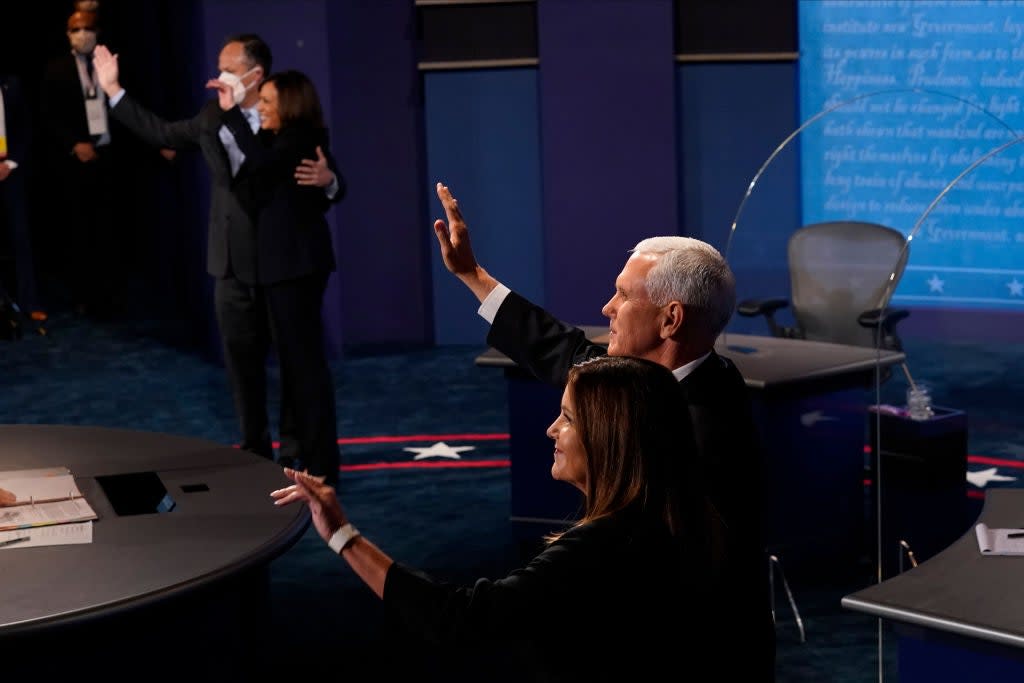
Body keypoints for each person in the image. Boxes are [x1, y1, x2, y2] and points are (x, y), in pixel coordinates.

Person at [431, 182, 776, 680]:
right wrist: (472, 274)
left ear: (670, 319)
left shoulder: (706, 427)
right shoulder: (655, 380)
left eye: (622, 296)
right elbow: (559, 349)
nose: (606, 309)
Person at [271, 355, 729, 682]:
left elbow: (457, 620)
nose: (552, 429)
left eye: (568, 418)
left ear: (611, 438)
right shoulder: (687, 518)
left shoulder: (597, 551)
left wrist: (342, 536)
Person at [92, 35, 345, 483]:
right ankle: (254, 454)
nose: (219, 74)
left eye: (228, 66)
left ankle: (295, 455)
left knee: (295, 363)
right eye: (218, 64)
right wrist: (113, 90)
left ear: (255, 74)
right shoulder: (213, 117)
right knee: (241, 365)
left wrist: (330, 181)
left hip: (284, 265)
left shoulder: (288, 120)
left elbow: (304, 169)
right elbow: (161, 132)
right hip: (230, 265)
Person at [203, 68, 341, 483]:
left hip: (298, 270)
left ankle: (322, 467)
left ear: (289, 105)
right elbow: (254, 172)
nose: (260, 109)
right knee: (294, 369)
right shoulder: (274, 139)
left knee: (306, 370)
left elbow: (265, 165)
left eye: (267, 102)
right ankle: (301, 455)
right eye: (259, 101)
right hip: (277, 273)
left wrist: (229, 112)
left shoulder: (300, 137)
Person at [37, 9, 129, 318]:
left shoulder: (111, 64)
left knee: (112, 230)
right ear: (67, 34)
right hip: (74, 161)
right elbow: (47, 115)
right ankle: (84, 297)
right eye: (76, 29)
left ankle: (113, 296)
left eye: (88, 28)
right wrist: (73, 144)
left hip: (110, 158)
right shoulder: (55, 69)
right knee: (79, 232)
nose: (82, 34)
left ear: (98, 30)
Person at [0, 72, 45, 331]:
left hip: (12, 170)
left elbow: (25, 128)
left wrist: (10, 163)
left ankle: (30, 302)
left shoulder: (12, 84)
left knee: (21, 237)